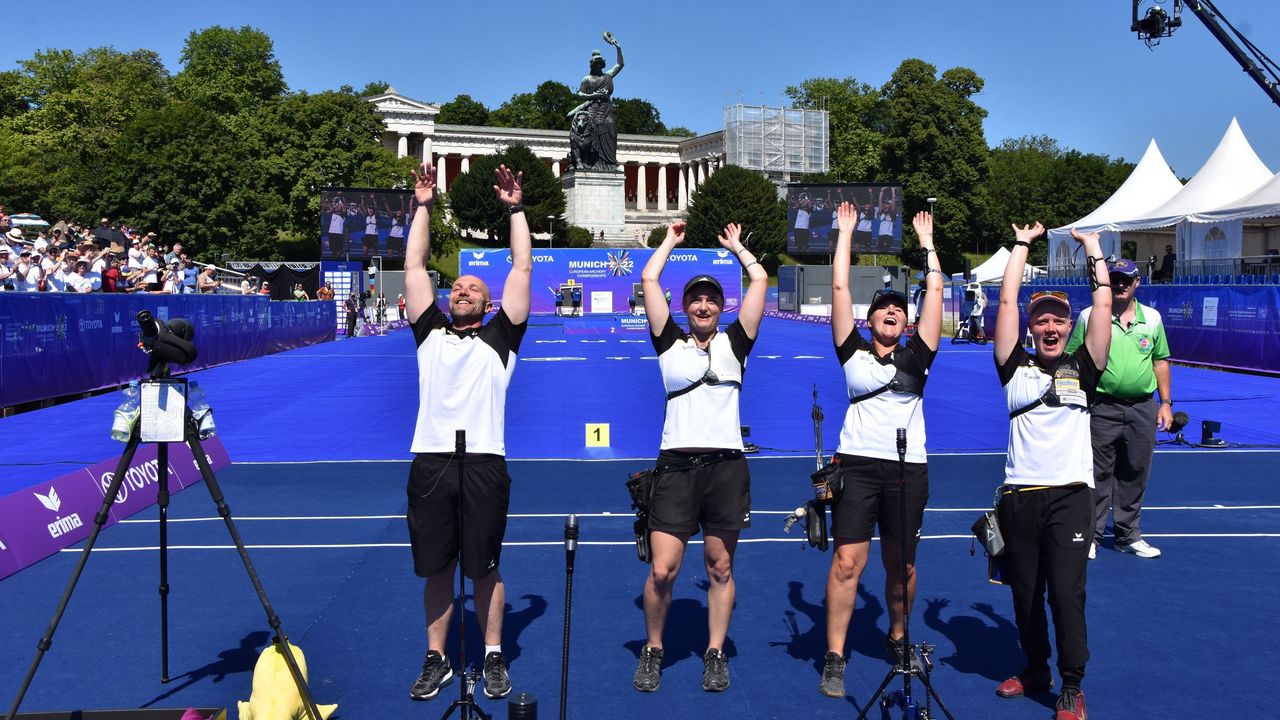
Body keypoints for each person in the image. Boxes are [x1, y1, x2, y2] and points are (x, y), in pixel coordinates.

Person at [404, 162, 531, 703]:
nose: (460, 290)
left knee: (484, 567)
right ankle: (437, 659)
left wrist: (516, 210)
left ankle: (494, 655)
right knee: (436, 567)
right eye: (455, 286)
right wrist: (424, 206)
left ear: (488, 303)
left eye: (471, 287)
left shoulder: (501, 337)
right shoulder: (428, 332)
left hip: (482, 462)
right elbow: (414, 263)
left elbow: (522, 269)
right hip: (431, 462)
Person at [632, 220, 767, 694]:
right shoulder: (668, 341)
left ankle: (714, 652)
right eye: (696, 299)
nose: (704, 305)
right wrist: (669, 239)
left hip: (726, 468)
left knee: (721, 568)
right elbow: (649, 281)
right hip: (675, 468)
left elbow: (761, 281)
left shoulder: (737, 343)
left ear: (721, 306)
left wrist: (737, 250)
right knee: (662, 569)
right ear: (685, 307)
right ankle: (653, 648)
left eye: (711, 299)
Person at [818, 204, 944, 698]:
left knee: (902, 567)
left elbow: (935, 291)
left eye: (898, 308)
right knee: (848, 563)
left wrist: (928, 246)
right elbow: (840, 289)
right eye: (882, 308)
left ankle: (898, 635)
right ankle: (834, 655)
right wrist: (845, 234)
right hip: (857, 469)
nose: (891, 312)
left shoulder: (920, 355)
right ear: (869, 321)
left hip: (908, 471)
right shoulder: (851, 352)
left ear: (907, 322)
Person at [991, 222, 1111, 720]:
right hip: (1019, 497)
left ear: (1069, 326)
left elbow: (1103, 306)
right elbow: (1004, 302)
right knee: (1024, 595)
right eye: (1041, 319)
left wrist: (1094, 250)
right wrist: (1021, 245)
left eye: (1058, 320)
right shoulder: (1012, 367)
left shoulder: (1086, 366)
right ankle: (1035, 666)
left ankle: (1071, 683)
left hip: (1070, 498)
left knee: (1065, 593)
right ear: (1031, 326)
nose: (1050, 327)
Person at [1065, 257, 1172, 560]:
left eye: (1127, 279)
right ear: (1105, 281)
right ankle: (1091, 536)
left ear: (1138, 282)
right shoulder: (1090, 316)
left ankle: (1127, 535)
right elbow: (1073, 358)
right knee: (1096, 473)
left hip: (1142, 408)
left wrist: (1165, 403)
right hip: (1101, 407)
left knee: (1135, 472)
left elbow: (1160, 360)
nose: (1120, 284)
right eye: (1114, 279)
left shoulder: (1151, 318)